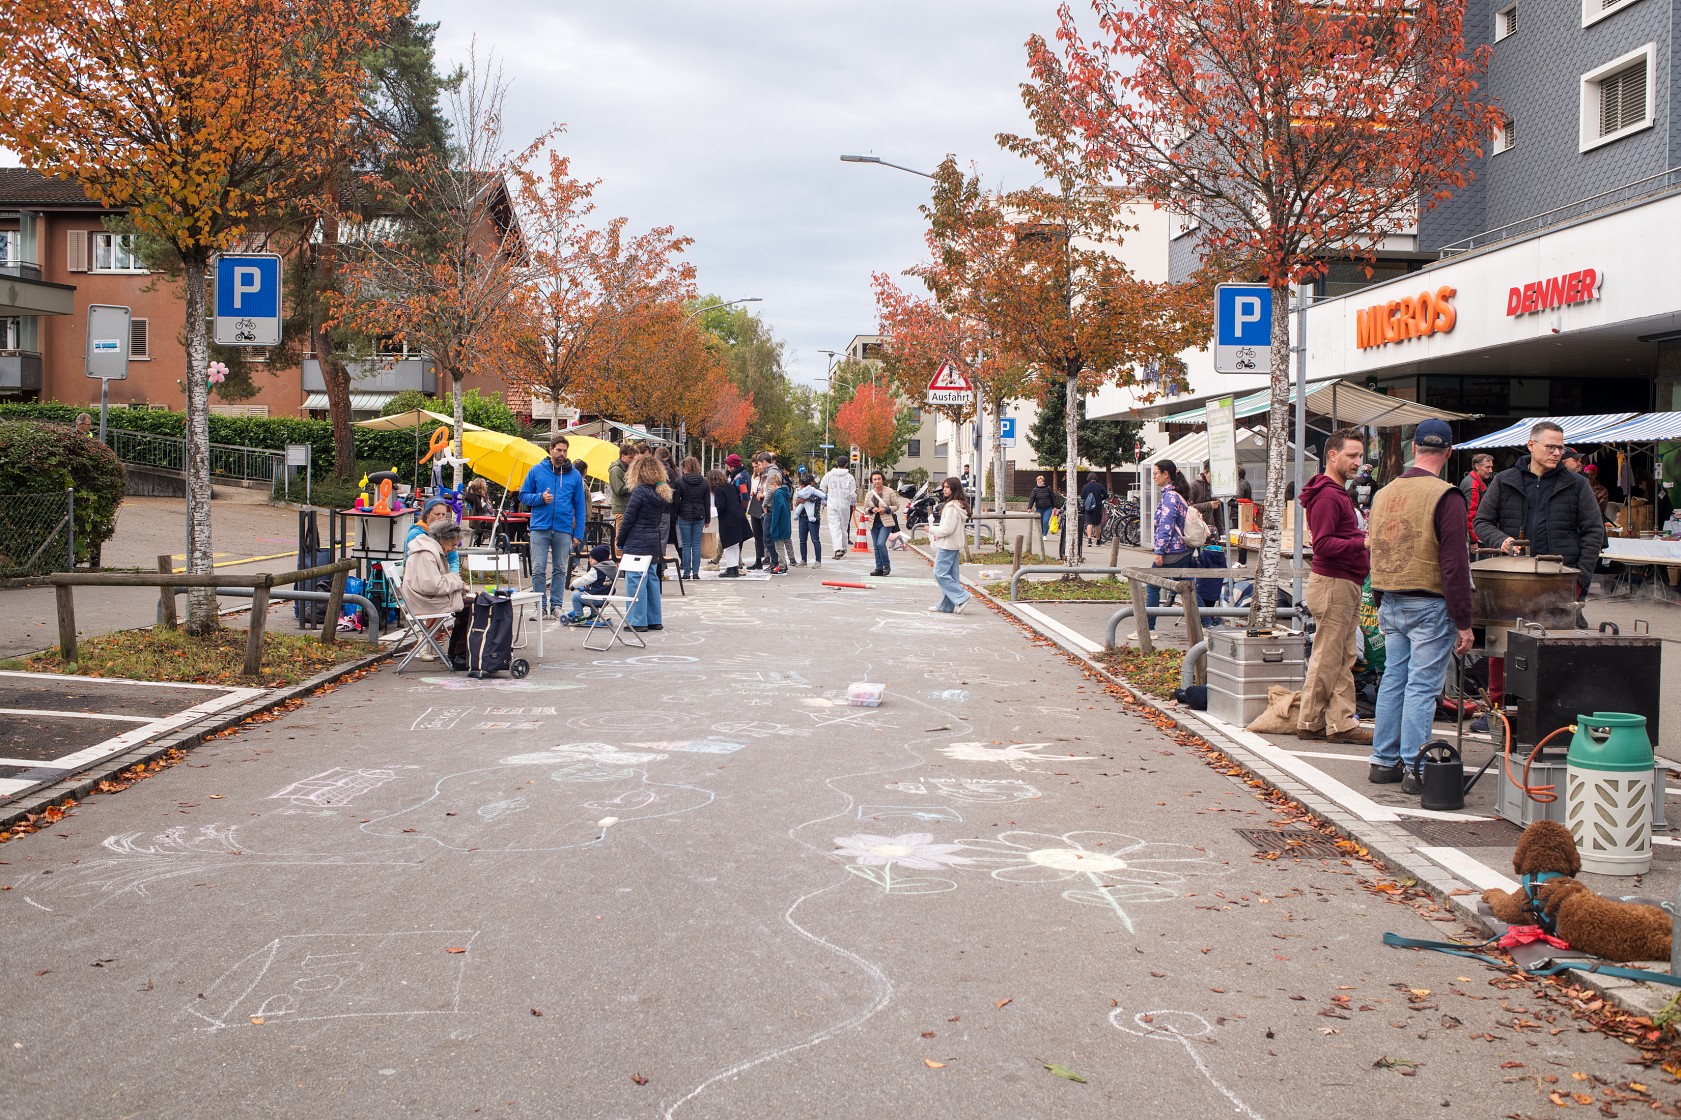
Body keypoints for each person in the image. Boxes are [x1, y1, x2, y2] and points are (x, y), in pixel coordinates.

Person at [1367, 419, 1475, 794]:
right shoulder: (1446, 495)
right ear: (1448, 452)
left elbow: (1376, 549)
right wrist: (1464, 620)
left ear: (1414, 449)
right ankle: (1417, 766)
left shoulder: (1383, 493)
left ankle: (1383, 762)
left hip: (1390, 596)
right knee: (1422, 686)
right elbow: (1454, 563)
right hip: (1429, 602)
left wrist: (1382, 597)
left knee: (1394, 679)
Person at [1296, 429, 1373, 745]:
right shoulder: (1329, 495)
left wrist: (1358, 541)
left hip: (1344, 582)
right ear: (1332, 455)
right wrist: (1363, 542)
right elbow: (1324, 545)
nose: (1358, 462)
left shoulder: (1336, 492)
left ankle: (1341, 723)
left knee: (1343, 655)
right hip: (1334, 582)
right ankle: (1310, 720)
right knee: (1329, 655)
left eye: (1359, 455)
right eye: (1352, 455)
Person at [1473, 420, 1604, 599]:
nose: (1557, 453)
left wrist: (1580, 578)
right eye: (1550, 447)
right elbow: (1481, 522)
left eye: (1560, 448)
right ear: (1531, 445)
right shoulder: (1504, 480)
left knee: (1556, 627)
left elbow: (1595, 530)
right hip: (1511, 577)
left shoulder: (1577, 484)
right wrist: (1500, 540)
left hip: (1559, 578)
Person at [519, 434, 587, 619]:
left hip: (563, 528)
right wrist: (540, 498)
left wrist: (578, 533)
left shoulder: (574, 475)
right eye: (558, 450)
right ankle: (540, 606)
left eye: (565, 451)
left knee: (560, 569)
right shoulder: (536, 471)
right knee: (539, 568)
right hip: (540, 526)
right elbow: (523, 496)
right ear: (550, 450)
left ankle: (556, 606)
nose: (562, 454)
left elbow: (580, 507)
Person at [615, 454, 673, 632]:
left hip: (637, 540)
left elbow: (628, 520)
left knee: (634, 580)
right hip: (653, 540)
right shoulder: (661, 492)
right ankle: (654, 619)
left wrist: (620, 541)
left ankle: (637, 620)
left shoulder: (639, 492)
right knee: (651, 579)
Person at [403, 520, 471, 669]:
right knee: (474, 607)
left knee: (471, 605)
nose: (453, 549)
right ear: (443, 539)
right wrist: (457, 581)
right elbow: (434, 585)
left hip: (425, 598)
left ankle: (457, 653)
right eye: (452, 544)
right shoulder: (427, 554)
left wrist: (454, 581)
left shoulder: (428, 549)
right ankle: (460, 655)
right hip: (426, 601)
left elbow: (435, 583)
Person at [1137, 460, 1192, 638]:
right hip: (1183, 550)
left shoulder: (1170, 496)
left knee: (1152, 586)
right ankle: (1209, 622)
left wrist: (1159, 551)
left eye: (1156, 473)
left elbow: (1166, 526)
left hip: (1171, 552)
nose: (1153, 477)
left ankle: (1149, 629)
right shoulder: (1180, 494)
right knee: (1187, 587)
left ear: (1166, 474)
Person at [928, 476, 972, 614]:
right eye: (944, 487)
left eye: (947, 487)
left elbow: (947, 529)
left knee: (939, 573)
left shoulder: (952, 507)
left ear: (954, 488)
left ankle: (962, 596)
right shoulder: (959, 505)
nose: (944, 490)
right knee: (951, 576)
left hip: (947, 544)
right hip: (954, 544)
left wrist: (932, 529)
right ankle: (946, 605)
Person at [670, 456, 710, 581]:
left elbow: (676, 501)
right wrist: (707, 518)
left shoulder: (680, 482)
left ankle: (687, 572)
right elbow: (707, 501)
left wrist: (676, 514)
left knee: (686, 545)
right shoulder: (704, 482)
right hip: (699, 514)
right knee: (696, 544)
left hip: (684, 514)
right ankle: (696, 573)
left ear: (685, 468)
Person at [861, 469, 907, 577]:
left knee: (881, 543)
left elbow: (897, 506)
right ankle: (879, 568)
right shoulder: (869, 494)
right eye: (875, 479)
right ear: (872, 481)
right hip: (873, 523)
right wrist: (872, 509)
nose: (877, 481)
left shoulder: (889, 491)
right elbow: (865, 508)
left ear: (882, 480)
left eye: (879, 479)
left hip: (886, 523)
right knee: (876, 546)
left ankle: (886, 565)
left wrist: (885, 510)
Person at [710, 467, 752, 578]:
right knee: (735, 544)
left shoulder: (718, 489)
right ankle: (734, 568)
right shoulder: (730, 486)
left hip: (728, 519)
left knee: (728, 545)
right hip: (738, 516)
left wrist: (712, 512)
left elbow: (721, 506)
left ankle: (730, 568)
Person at [563, 544, 617, 626]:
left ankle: (579, 616)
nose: (589, 560)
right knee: (592, 591)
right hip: (606, 598)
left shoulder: (596, 570)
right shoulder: (611, 568)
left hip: (596, 598)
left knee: (576, 596)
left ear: (599, 559)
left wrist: (573, 585)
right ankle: (594, 615)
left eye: (592, 558)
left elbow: (585, 579)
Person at [404, 499, 460, 574]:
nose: (441, 518)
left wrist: (454, 575)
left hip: (443, 577)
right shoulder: (415, 534)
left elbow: (453, 559)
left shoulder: (446, 533)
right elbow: (415, 563)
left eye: (443, 514)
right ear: (427, 515)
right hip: (420, 577)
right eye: (437, 514)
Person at [822, 456, 859, 560]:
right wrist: (853, 503)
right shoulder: (849, 477)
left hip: (832, 502)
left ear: (836, 463)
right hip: (845, 503)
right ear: (846, 464)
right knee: (844, 526)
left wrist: (824, 501)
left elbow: (823, 489)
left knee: (834, 526)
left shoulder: (828, 475)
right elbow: (853, 493)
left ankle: (838, 548)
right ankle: (843, 547)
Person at [764, 468, 795, 574]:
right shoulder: (784, 493)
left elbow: (777, 511)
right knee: (781, 545)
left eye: (770, 486)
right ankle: (783, 565)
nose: (770, 489)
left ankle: (781, 566)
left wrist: (773, 525)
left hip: (779, 524)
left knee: (779, 546)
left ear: (774, 484)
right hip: (785, 523)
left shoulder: (777, 494)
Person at [1459, 453, 1493, 544]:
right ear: (1477, 466)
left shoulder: (1469, 480)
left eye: (1491, 467)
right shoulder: (1474, 485)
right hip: (1474, 539)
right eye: (1487, 467)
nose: (1490, 470)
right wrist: (1474, 540)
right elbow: (1470, 516)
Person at [607, 441, 635, 549]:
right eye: (630, 457)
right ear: (623, 456)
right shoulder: (616, 470)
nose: (632, 460)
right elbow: (619, 489)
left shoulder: (626, 468)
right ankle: (617, 559)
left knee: (625, 536)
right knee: (619, 536)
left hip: (626, 506)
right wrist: (634, 484)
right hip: (621, 508)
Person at [795, 470, 825, 566]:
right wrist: (800, 500)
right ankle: (803, 560)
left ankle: (818, 561)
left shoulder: (817, 491)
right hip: (802, 517)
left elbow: (817, 499)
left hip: (814, 518)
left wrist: (806, 498)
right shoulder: (800, 491)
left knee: (815, 539)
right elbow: (796, 502)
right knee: (802, 540)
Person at [1188, 461, 1225, 538]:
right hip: (1194, 529)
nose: (1215, 479)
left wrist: (1222, 534)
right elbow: (1188, 508)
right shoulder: (1193, 486)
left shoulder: (1214, 487)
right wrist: (1208, 505)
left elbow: (1218, 514)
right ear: (1205, 472)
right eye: (1212, 475)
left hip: (1209, 530)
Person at [1079, 474, 1108, 547]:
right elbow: (1106, 495)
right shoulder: (1100, 486)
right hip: (1097, 507)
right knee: (1097, 524)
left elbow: (1082, 496)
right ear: (1096, 478)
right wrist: (1100, 499)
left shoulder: (1085, 486)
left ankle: (1089, 540)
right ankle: (1098, 541)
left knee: (1089, 524)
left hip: (1088, 507)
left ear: (1088, 478)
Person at [1028, 474, 1059, 540]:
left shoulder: (1048, 488)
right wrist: (1029, 507)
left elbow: (1053, 497)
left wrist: (1055, 506)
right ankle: (1041, 533)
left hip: (1048, 508)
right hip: (1039, 508)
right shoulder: (1035, 490)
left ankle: (1044, 534)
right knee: (1040, 522)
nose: (1039, 483)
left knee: (1045, 521)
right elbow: (1032, 499)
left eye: (1040, 482)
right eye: (1038, 482)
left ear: (1043, 482)